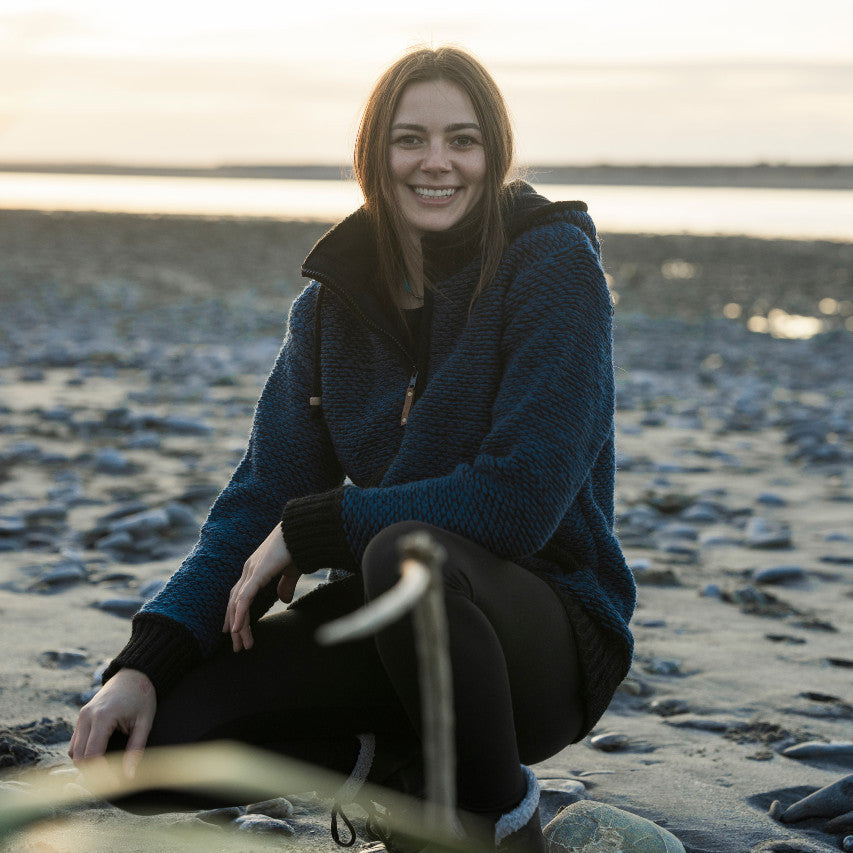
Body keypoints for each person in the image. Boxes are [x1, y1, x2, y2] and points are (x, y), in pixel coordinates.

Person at [69, 46, 636, 852]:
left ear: (493, 153)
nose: (435, 162)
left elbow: (520, 499)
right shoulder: (331, 307)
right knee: (141, 751)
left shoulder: (552, 267)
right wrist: (146, 660)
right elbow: (261, 500)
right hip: (388, 626)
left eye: (462, 140)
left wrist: (321, 526)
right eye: (410, 139)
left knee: (407, 555)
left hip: (540, 644)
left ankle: (500, 821)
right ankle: (398, 777)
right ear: (375, 154)